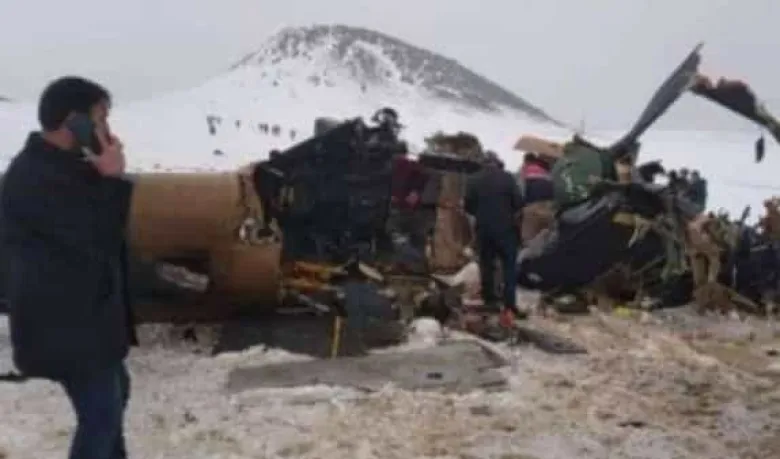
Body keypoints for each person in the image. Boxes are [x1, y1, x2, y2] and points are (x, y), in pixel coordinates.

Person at [1, 76, 136, 459]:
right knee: (100, 419)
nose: (107, 130)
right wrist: (112, 180)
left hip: (87, 322)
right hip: (64, 326)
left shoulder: (65, 167)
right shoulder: (34, 178)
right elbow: (95, 239)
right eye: (100, 119)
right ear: (73, 122)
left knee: (115, 399)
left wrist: (103, 171)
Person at [464, 151, 526, 325]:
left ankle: (489, 300)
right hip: (506, 228)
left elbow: (468, 205)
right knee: (509, 267)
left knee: (486, 265)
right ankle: (509, 304)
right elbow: (519, 202)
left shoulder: (473, 179)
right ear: (498, 163)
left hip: (484, 229)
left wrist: (481, 214)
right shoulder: (507, 178)